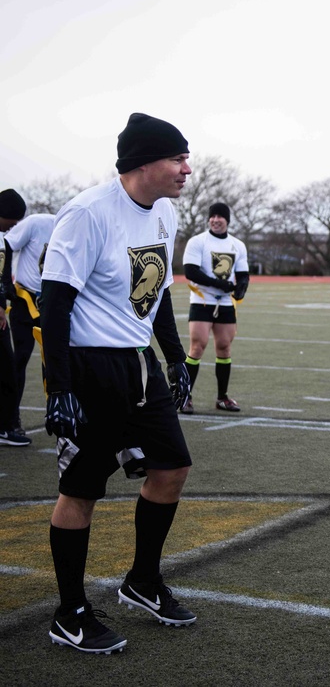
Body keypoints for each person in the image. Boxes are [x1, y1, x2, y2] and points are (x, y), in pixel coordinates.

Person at [42, 112, 197, 655]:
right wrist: (56, 386)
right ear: (144, 163)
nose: (187, 168)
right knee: (81, 488)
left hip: (137, 363)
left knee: (172, 466)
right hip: (89, 366)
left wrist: (175, 359)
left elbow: (154, 291)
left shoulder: (165, 214)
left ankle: (142, 579)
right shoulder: (87, 213)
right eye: (178, 158)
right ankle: (70, 611)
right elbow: (55, 302)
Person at [180, 202, 249, 413]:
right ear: (209, 219)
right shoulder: (198, 241)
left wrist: (242, 289)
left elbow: (243, 274)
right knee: (197, 347)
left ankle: (222, 398)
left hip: (226, 303)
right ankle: (185, 397)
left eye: (221, 216)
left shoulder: (237, 245)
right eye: (213, 216)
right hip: (202, 301)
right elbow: (191, 271)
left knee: (224, 348)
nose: (216, 219)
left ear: (227, 220)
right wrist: (220, 284)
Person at [4, 206, 57, 427]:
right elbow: (5, 245)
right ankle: (10, 417)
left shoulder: (79, 228)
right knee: (20, 357)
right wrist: (5, 282)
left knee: (56, 358)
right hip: (25, 299)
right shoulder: (37, 223)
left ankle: (56, 412)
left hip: (53, 300)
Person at [0, 189, 31, 446]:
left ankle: (6, 425)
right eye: (13, 218)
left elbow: (3, 276)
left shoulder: (4, 240)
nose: (15, 224)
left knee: (8, 369)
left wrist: (3, 300)